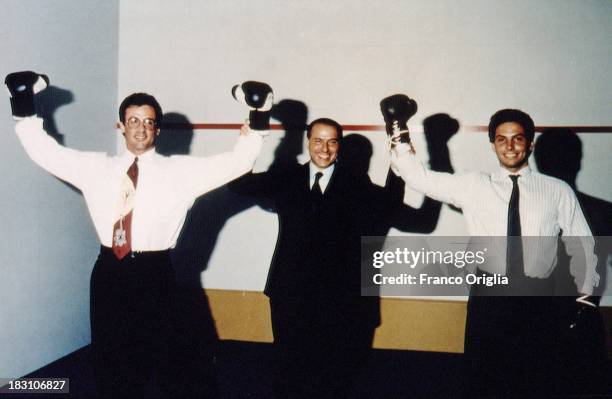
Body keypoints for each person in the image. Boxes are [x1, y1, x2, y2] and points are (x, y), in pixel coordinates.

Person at [4, 71, 270, 397]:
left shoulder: (181, 172)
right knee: (112, 359)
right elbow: (45, 152)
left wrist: (258, 118)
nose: (140, 128)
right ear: (121, 126)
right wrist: (23, 104)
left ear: (157, 128)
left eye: (148, 122)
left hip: (155, 274)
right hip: (109, 273)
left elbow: (237, 163)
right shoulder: (95, 168)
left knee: (172, 361)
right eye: (133, 121)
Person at [387, 101, 600, 397]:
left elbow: (584, 244)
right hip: (489, 299)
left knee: (537, 383)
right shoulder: (475, 185)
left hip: (540, 302)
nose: (510, 146)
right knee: (483, 383)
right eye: (502, 139)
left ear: (530, 143)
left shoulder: (557, 190)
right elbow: (417, 178)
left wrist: (587, 301)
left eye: (517, 138)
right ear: (492, 145)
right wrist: (397, 127)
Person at [230, 115, 447, 398]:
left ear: (339, 146)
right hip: (290, 296)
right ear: (307, 142)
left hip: (340, 304)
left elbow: (416, 219)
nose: (324, 148)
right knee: (288, 375)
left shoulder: (358, 185)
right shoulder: (286, 177)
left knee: (335, 379)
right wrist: (254, 132)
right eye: (318, 141)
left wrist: (424, 154)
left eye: (332, 142)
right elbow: (237, 183)